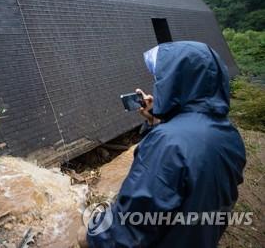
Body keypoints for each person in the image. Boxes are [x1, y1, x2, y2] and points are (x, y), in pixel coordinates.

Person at [79, 41, 246, 247]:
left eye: (161, 78)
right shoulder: (229, 135)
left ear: (177, 82)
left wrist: (91, 236)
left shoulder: (168, 142)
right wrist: (155, 122)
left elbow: (130, 228)